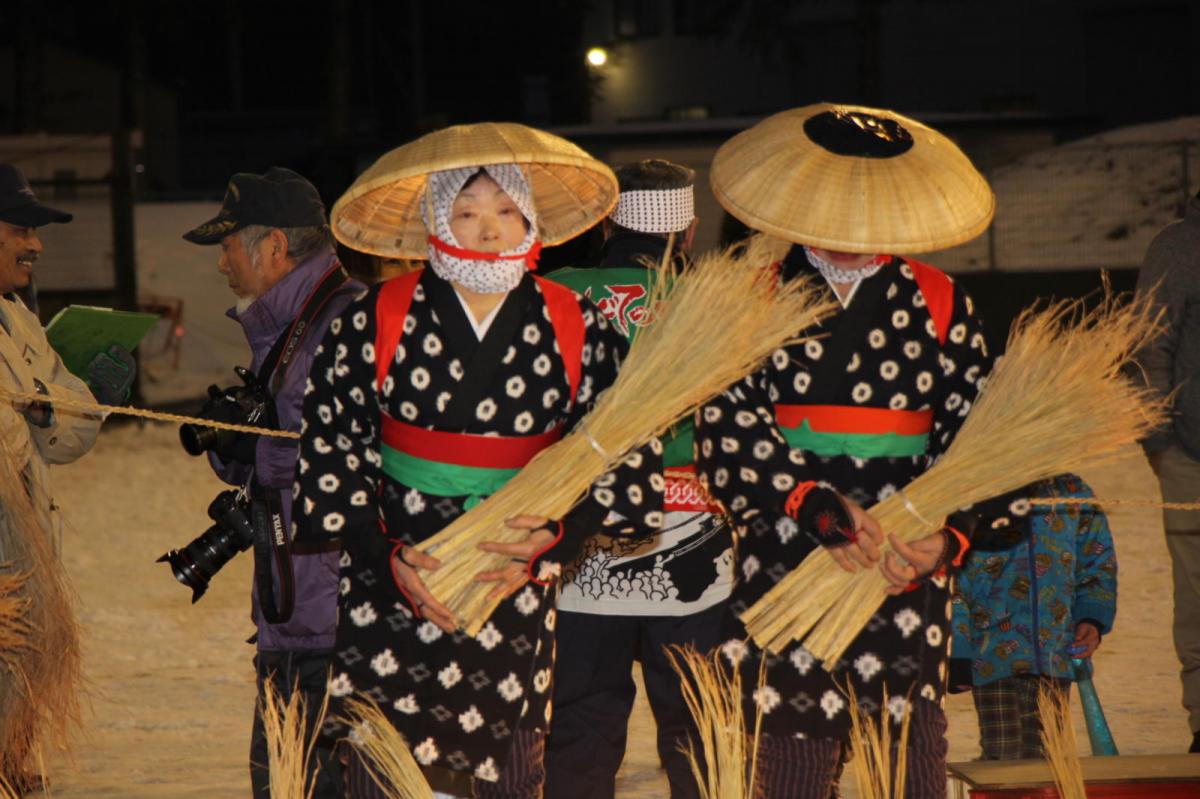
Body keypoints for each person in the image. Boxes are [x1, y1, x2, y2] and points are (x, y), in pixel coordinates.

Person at [292, 123, 664, 798]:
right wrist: (383, 555)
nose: (487, 229)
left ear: (529, 219)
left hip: (511, 573)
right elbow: (332, 450)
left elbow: (624, 452)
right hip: (398, 576)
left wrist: (558, 538)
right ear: (438, 219)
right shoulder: (371, 317)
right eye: (466, 212)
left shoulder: (578, 321)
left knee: (509, 765)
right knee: (385, 762)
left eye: (505, 211)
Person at [693, 104, 1016, 797]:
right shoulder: (753, 291)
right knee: (790, 767)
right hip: (790, 557)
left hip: (902, 564)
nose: (848, 221)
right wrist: (808, 500)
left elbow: (984, 435)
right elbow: (725, 420)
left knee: (910, 766)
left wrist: (950, 534)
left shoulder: (940, 302)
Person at [543, 159, 728, 799]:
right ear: (690, 229)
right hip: (695, 556)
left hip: (579, 553)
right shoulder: (723, 303)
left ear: (607, 223)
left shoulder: (554, 293)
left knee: (579, 732)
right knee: (701, 732)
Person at [181, 167, 364, 798]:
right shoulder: (288, 327)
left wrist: (256, 449)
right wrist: (234, 440)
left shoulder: (338, 328)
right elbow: (279, 447)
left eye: (228, 245)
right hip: (301, 609)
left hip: (331, 623)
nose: (221, 262)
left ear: (275, 248)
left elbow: (352, 466)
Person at [0, 163, 106, 792]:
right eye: (20, 227)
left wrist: (54, 408)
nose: (36, 243)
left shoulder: (21, 321)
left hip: (26, 565)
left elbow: (76, 426)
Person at [950, 473, 1118, 760]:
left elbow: (1097, 564)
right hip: (991, 657)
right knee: (1004, 759)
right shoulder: (976, 486)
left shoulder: (1073, 492)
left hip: (1054, 656)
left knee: (1050, 761)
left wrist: (1090, 620)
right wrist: (959, 650)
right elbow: (954, 581)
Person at [1134, 195, 1200, 753]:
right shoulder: (1179, 247)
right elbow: (1148, 346)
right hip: (1192, 454)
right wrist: (1163, 445)